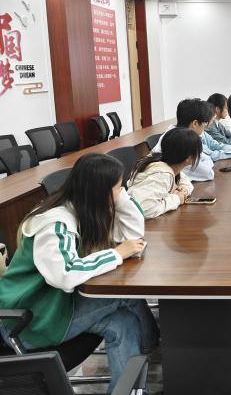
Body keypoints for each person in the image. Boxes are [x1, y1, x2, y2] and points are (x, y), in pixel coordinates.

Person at [0, 153, 158, 392]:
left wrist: (120, 197)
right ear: (98, 193)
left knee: (123, 323)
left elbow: (133, 237)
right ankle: (154, 347)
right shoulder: (56, 223)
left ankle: (132, 386)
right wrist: (116, 254)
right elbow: (64, 274)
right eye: (118, 187)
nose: (122, 191)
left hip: (55, 306)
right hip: (30, 320)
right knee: (123, 295)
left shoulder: (83, 210)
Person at [153, 99, 231, 182]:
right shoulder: (180, 141)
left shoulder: (189, 133)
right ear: (195, 123)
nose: (206, 126)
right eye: (205, 122)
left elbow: (212, 151)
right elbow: (208, 172)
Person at [127, 127, 201, 219]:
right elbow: (143, 209)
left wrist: (184, 189)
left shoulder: (167, 162)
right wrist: (176, 199)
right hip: (137, 222)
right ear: (189, 158)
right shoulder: (162, 174)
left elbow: (185, 180)